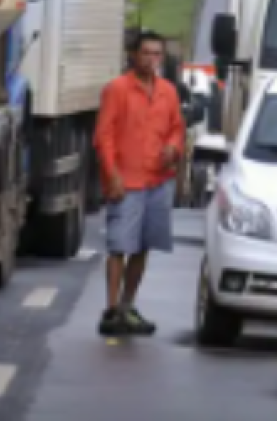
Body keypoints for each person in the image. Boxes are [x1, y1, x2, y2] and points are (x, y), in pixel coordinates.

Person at [93, 29, 185, 337]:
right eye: (146, 53)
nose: (151, 59)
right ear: (134, 55)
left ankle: (127, 305)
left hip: (157, 181)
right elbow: (103, 136)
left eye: (157, 54)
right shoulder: (116, 90)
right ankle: (110, 310)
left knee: (143, 246)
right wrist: (112, 174)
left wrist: (173, 147)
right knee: (120, 245)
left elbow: (177, 129)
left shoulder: (168, 92)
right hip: (127, 181)